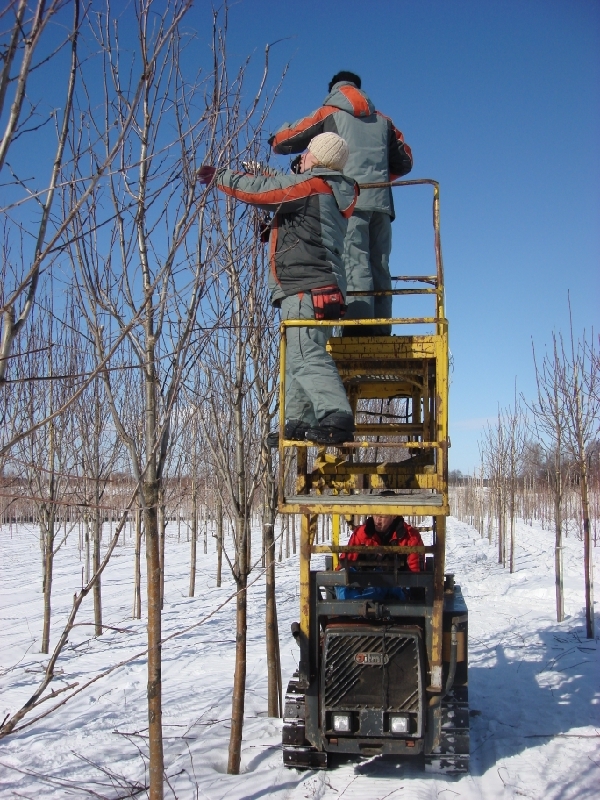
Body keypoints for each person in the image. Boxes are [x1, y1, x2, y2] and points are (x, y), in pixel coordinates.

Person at [197, 132, 358, 445]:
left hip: (305, 287)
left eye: (308, 151)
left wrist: (222, 176)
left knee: (304, 353)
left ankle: (337, 416)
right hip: (323, 288)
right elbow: (289, 196)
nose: (303, 156)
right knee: (297, 356)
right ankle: (297, 421)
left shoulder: (311, 186)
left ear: (318, 157)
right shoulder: (328, 191)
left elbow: (265, 192)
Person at [269, 71, 413, 336]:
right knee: (379, 266)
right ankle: (381, 333)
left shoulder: (329, 112)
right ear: (360, 88)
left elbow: (285, 140)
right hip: (381, 203)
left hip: (349, 202)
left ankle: (358, 333)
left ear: (333, 89)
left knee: (353, 262)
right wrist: (379, 178)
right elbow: (406, 161)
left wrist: (274, 138)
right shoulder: (384, 121)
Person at [336, 505, 424, 600]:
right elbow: (345, 562)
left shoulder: (410, 537)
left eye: (382, 517)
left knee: (383, 584)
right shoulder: (361, 534)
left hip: (395, 586)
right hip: (364, 583)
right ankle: (352, 599)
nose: (377, 520)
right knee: (343, 582)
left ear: (394, 515)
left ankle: (358, 599)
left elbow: (416, 575)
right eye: (375, 515)